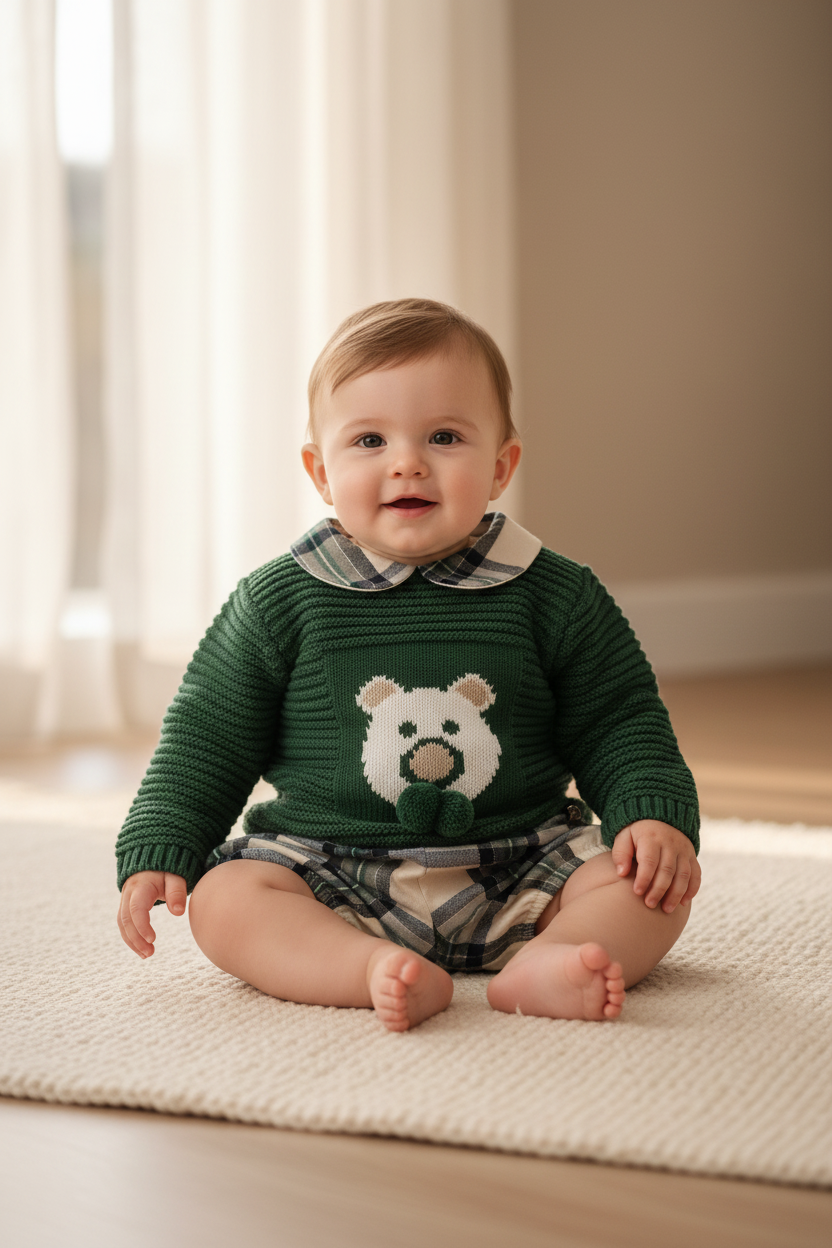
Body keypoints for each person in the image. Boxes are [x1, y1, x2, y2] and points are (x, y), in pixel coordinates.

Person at [116, 298, 701, 1032]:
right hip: (330, 870)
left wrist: (652, 813)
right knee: (225, 900)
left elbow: (619, 715)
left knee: (648, 888)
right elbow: (207, 732)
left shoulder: (556, 593)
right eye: (368, 440)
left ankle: (548, 960)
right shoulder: (279, 599)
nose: (407, 462)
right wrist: (162, 842)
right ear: (320, 472)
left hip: (522, 862)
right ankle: (364, 969)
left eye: (445, 436)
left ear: (501, 465)